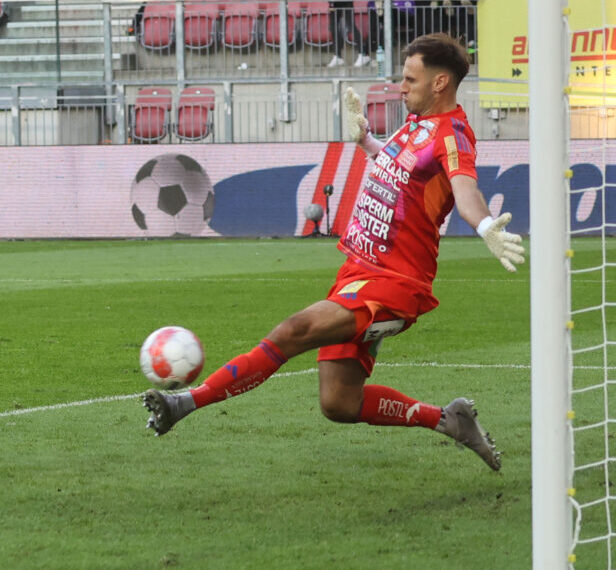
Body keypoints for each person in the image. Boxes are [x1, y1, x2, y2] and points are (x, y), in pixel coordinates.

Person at [143, 33, 525, 471]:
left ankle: (184, 403)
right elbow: (401, 171)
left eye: (409, 78)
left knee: (294, 330)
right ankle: (449, 420)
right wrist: (366, 141)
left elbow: (463, 187)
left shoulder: (453, 133)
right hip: (359, 271)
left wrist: (483, 226)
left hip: (395, 285)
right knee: (339, 402)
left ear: (440, 83)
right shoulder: (416, 125)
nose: (400, 86)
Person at [328, 1, 368, 68]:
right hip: (333, 3)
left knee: (350, 26)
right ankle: (337, 56)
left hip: (347, 2)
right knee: (333, 28)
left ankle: (362, 54)